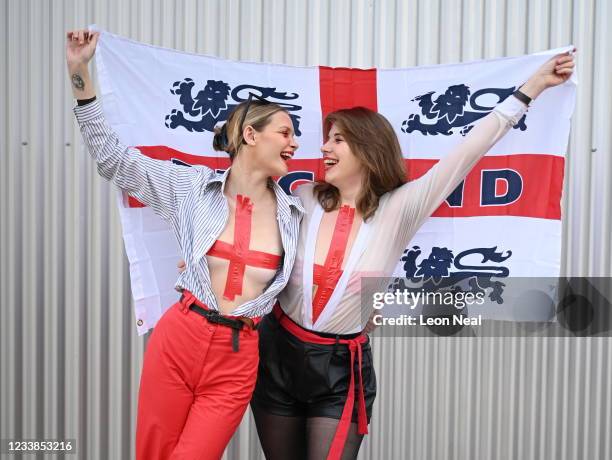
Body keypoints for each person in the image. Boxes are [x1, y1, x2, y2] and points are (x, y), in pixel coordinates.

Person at [249, 51, 576, 460]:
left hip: (339, 370)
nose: (324, 147)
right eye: (326, 138)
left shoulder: (400, 209)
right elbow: (248, 233)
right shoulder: (302, 197)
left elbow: (469, 150)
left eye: (337, 139)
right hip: (277, 354)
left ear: (367, 149)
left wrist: (534, 86)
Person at [66, 29, 304, 459]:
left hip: (237, 359)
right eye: (285, 132)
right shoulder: (191, 189)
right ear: (251, 135)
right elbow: (114, 159)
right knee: (154, 453)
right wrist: (80, 74)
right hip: (180, 340)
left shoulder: (296, 214)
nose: (294, 143)